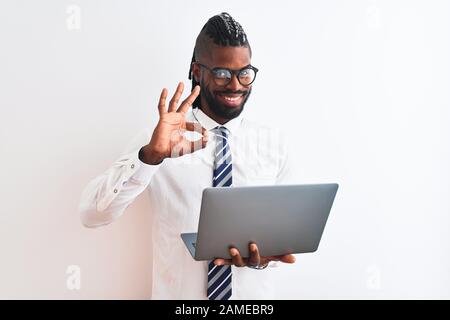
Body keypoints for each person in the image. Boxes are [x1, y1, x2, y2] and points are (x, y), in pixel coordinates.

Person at [79, 12, 296, 300]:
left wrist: (265, 257)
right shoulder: (157, 141)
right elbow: (92, 215)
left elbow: (285, 235)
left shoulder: (274, 145)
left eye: (244, 73)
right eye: (222, 74)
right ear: (196, 70)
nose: (235, 85)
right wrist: (150, 157)